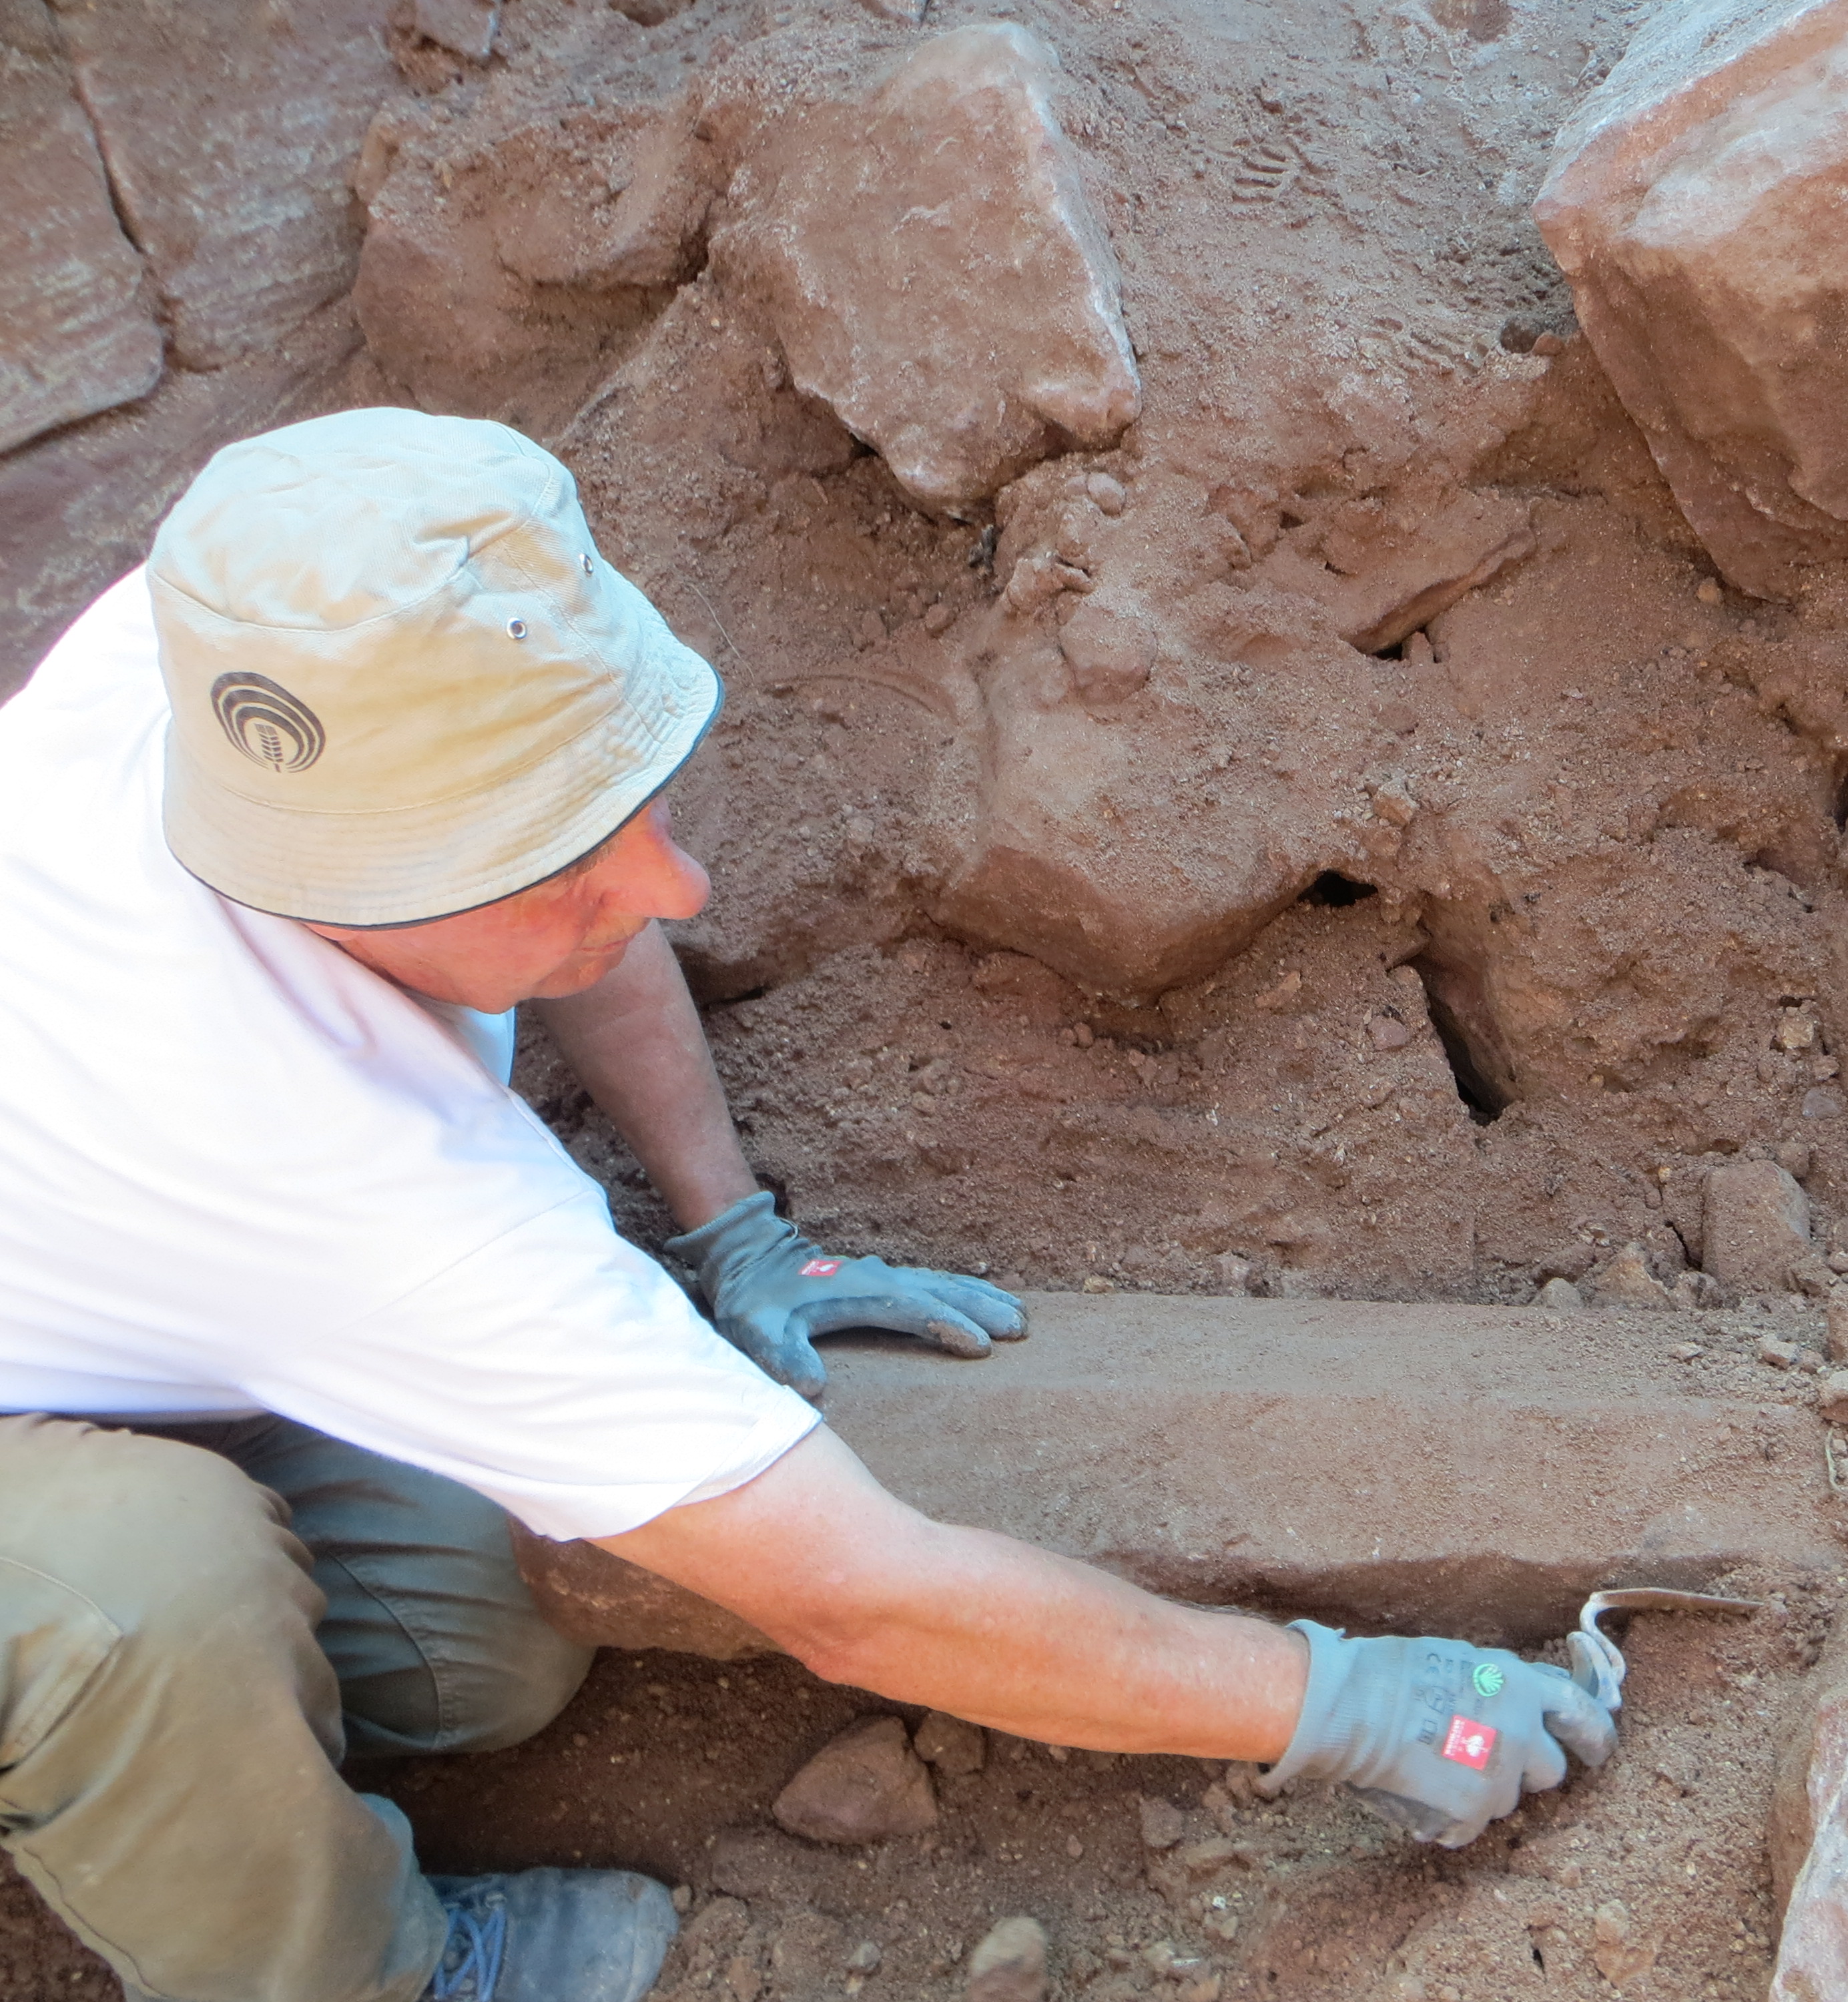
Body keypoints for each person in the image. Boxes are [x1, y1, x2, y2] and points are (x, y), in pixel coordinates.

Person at [0, 409, 1615, 2002]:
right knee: (146, 1597)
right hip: (113, 1367)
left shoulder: (274, 642)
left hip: (112, 1277)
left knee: (484, 1644)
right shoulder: (352, 1188)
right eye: (567, 868)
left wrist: (734, 1233)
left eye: (625, 806)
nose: (674, 888)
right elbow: (853, 1599)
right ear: (366, 889)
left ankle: (200, 1772)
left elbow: (550, 841)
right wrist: (1350, 1704)